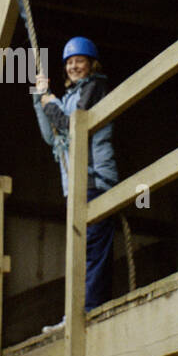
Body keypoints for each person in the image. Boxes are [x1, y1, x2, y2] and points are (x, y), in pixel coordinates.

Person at [33, 36, 119, 332]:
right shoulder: (70, 97)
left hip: (94, 177)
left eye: (79, 61)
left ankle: (89, 308)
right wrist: (39, 98)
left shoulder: (95, 87)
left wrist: (51, 102)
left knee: (93, 245)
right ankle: (78, 310)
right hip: (76, 183)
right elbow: (52, 136)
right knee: (82, 247)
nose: (73, 67)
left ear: (91, 63)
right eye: (69, 63)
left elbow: (72, 125)